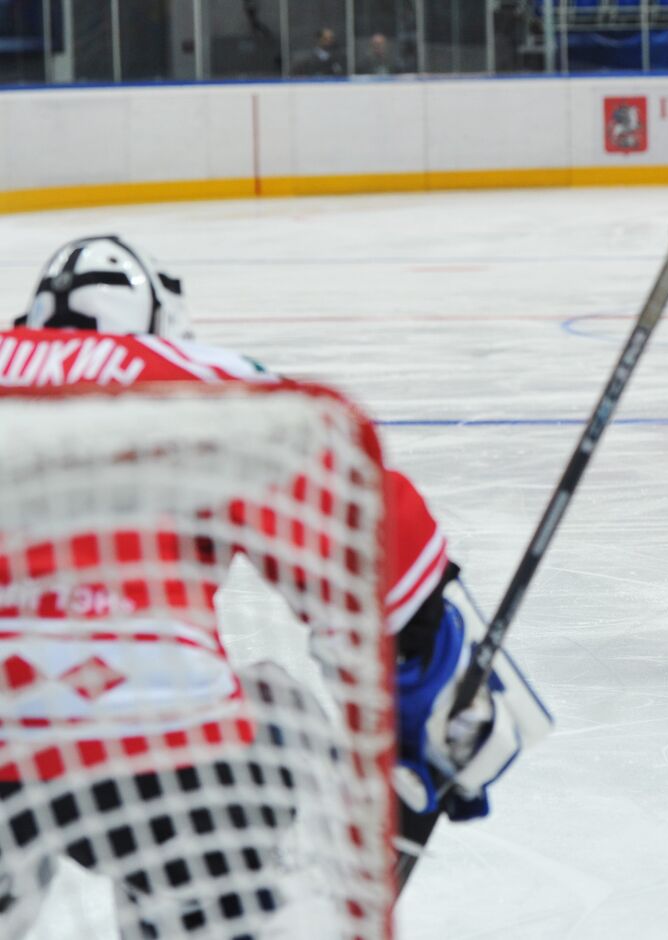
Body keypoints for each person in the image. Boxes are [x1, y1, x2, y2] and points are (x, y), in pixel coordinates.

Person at [0, 235, 550, 936]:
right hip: (173, 758)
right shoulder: (202, 380)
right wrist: (434, 710)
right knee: (277, 709)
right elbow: (380, 558)